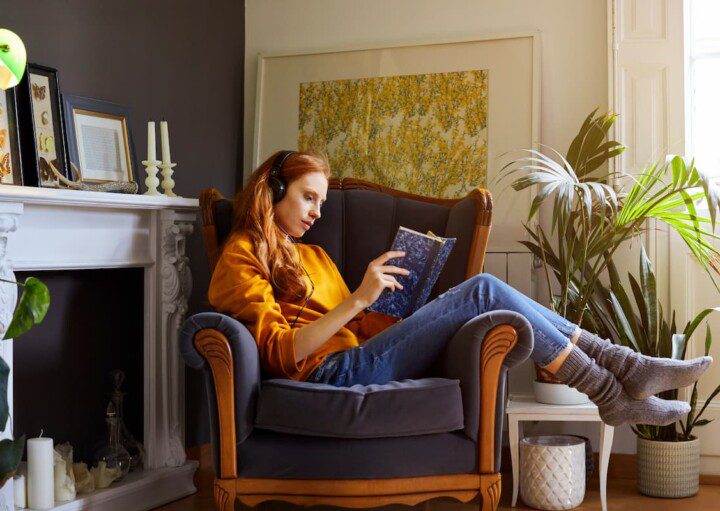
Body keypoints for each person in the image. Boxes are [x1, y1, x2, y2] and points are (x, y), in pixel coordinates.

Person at [209, 150, 713, 427]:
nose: (317, 212)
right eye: (308, 197)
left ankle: (621, 373)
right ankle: (614, 380)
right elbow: (277, 353)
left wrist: (397, 304)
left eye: (320, 199)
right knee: (483, 290)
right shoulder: (241, 255)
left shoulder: (313, 254)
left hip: (359, 356)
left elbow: (361, 326)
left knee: (475, 294)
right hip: (326, 376)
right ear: (273, 191)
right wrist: (360, 297)